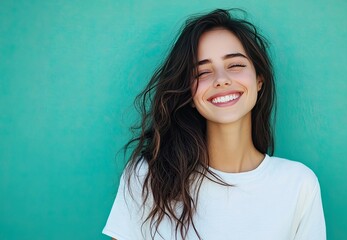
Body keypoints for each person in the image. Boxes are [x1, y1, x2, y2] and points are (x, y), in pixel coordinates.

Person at [103, 9, 326, 240]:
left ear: (259, 79)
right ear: (189, 92)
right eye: (203, 72)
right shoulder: (149, 176)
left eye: (235, 65)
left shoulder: (298, 184)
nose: (221, 80)